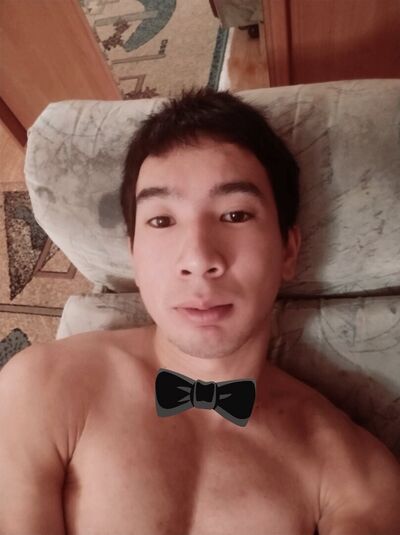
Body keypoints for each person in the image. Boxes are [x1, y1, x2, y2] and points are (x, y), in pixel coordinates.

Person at [0, 87, 399, 534]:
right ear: (134, 254)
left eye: (235, 215)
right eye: (162, 220)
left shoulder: (355, 474)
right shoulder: (40, 387)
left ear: (288, 249)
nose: (198, 258)